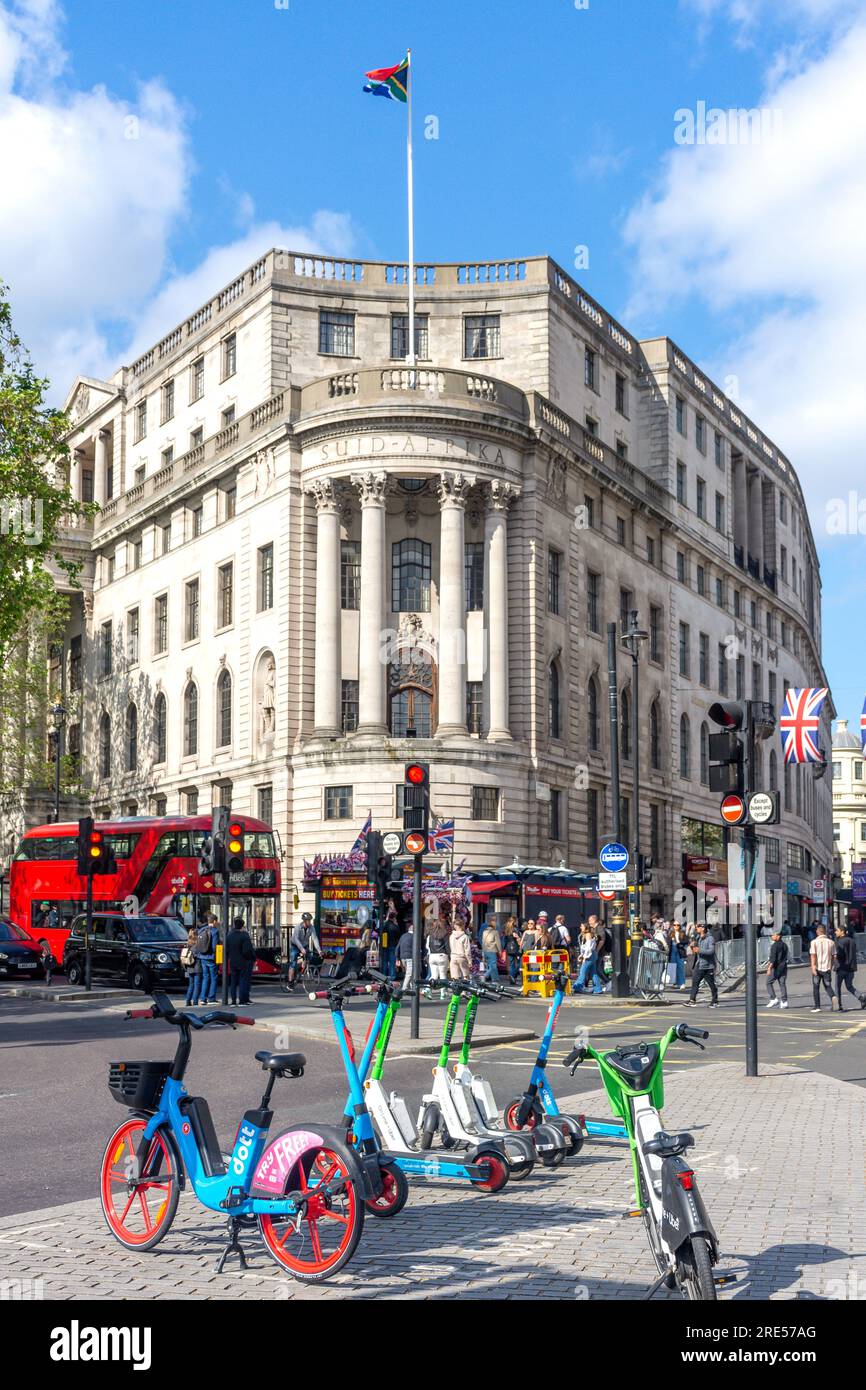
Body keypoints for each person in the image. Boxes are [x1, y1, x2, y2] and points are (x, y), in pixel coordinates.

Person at [833, 927, 865, 1012]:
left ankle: (838, 1005)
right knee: (849, 986)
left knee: (837, 986)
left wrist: (834, 957)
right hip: (851, 968)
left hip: (841, 967)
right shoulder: (852, 940)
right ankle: (861, 998)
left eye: (837, 931)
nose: (835, 932)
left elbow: (840, 954)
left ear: (842, 932)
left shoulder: (840, 941)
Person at [226, 915, 255, 1005]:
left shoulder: (229, 936)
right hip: (242, 962)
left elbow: (226, 950)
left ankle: (233, 1001)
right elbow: (247, 951)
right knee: (242, 981)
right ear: (242, 926)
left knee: (233, 982)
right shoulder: (244, 936)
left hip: (233, 961)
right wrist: (249, 958)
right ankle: (242, 1000)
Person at [688, 924, 718, 1007]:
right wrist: (692, 947)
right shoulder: (698, 938)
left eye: (698, 927)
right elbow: (696, 951)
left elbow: (711, 951)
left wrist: (700, 950)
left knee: (711, 984)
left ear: (703, 928)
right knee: (695, 982)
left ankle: (715, 1001)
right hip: (699, 964)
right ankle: (692, 1000)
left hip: (708, 965)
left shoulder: (710, 938)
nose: (696, 928)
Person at [809, 925, 835, 1012]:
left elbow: (813, 955)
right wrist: (831, 965)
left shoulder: (814, 942)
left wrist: (813, 967)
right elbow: (834, 956)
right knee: (828, 986)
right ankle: (833, 997)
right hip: (827, 968)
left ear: (818, 931)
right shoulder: (831, 942)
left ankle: (817, 1006)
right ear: (825, 931)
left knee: (816, 987)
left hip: (817, 967)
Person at [424, 920, 450, 999]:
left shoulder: (430, 935)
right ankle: (443, 994)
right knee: (442, 975)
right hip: (442, 956)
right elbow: (447, 946)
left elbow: (427, 947)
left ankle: (428, 989)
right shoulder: (445, 935)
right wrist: (449, 955)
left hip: (432, 956)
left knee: (433, 975)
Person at [196, 914, 219, 1005]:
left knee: (205, 977)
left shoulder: (202, 930)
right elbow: (214, 947)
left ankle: (203, 998)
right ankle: (211, 998)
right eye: (217, 921)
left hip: (202, 956)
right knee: (213, 978)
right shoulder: (215, 931)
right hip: (211, 957)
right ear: (214, 921)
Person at [765, 930, 789, 1009]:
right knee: (782, 984)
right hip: (784, 967)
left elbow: (773, 959)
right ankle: (784, 1002)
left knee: (768, 982)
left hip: (776, 968)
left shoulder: (774, 946)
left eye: (773, 935)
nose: (772, 936)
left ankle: (773, 999)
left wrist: (769, 968)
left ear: (778, 936)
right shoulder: (785, 945)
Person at [182, 926, 201, 1005]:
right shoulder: (197, 944)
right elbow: (198, 955)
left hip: (189, 966)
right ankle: (195, 1001)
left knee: (191, 985)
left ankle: (188, 1001)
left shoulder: (187, 944)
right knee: (197, 985)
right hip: (197, 967)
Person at [481, 919, 502, 984]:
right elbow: (498, 942)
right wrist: (500, 951)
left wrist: (483, 952)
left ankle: (495, 979)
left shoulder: (484, 932)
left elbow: (483, 942)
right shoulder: (495, 932)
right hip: (492, 950)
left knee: (490, 966)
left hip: (485, 950)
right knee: (493, 966)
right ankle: (485, 975)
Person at [503, 917, 522, 984]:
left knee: (511, 964)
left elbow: (504, 939)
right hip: (515, 947)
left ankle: (512, 978)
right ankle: (514, 975)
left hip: (508, 948)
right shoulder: (515, 929)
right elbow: (517, 938)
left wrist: (504, 948)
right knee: (519, 963)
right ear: (514, 921)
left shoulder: (506, 928)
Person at [668, 923, 688, 989]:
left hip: (680, 952)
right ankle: (676, 982)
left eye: (678, 925)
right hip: (672, 952)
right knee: (674, 967)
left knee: (680, 967)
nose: (676, 926)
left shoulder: (682, 933)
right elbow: (668, 943)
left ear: (680, 926)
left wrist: (680, 942)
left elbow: (686, 941)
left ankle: (682, 983)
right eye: (674, 925)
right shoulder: (671, 933)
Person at [396, 922, 415, 987]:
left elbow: (397, 947)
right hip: (410, 957)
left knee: (409, 972)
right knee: (409, 973)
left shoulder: (403, 936)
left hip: (402, 957)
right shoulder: (414, 937)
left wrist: (397, 958)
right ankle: (404, 988)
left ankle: (413, 987)